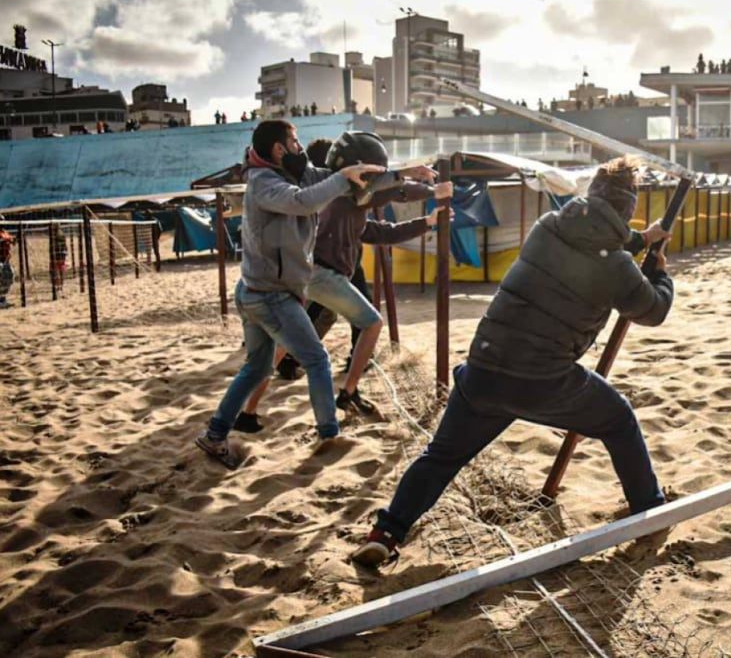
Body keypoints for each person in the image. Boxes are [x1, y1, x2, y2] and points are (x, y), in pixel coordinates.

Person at [351, 155, 675, 568]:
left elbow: (593, 239)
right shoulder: (616, 266)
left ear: (590, 197)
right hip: (542, 379)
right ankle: (648, 506)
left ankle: (387, 531)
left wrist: (639, 241)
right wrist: (660, 273)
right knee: (618, 419)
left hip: (484, 366)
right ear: (627, 211)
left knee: (441, 457)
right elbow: (652, 310)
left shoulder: (549, 228)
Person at [194, 119, 386, 468]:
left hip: (258, 291)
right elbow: (304, 202)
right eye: (295, 143)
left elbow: (331, 178)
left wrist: (402, 173)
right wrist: (342, 178)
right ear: (279, 149)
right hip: (270, 296)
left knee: (256, 368)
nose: (301, 148)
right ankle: (330, 435)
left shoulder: (290, 172)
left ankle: (215, 434)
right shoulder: (264, 183)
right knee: (317, 360)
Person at [236, 133, 449, 431]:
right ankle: (348, 392)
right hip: (322, 275)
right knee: (371, 324)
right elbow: (395, 191)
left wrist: (425, 222)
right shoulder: (348, 193)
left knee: (282, 345)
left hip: (309, 274)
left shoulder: (346, 199)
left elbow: (378, 231)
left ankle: (247, 411)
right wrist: (432, 191)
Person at [0, 228, 13, 309]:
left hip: (5, 259)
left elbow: (10, 240)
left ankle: (2, 298)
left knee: (10, 275)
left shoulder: (4, 231)